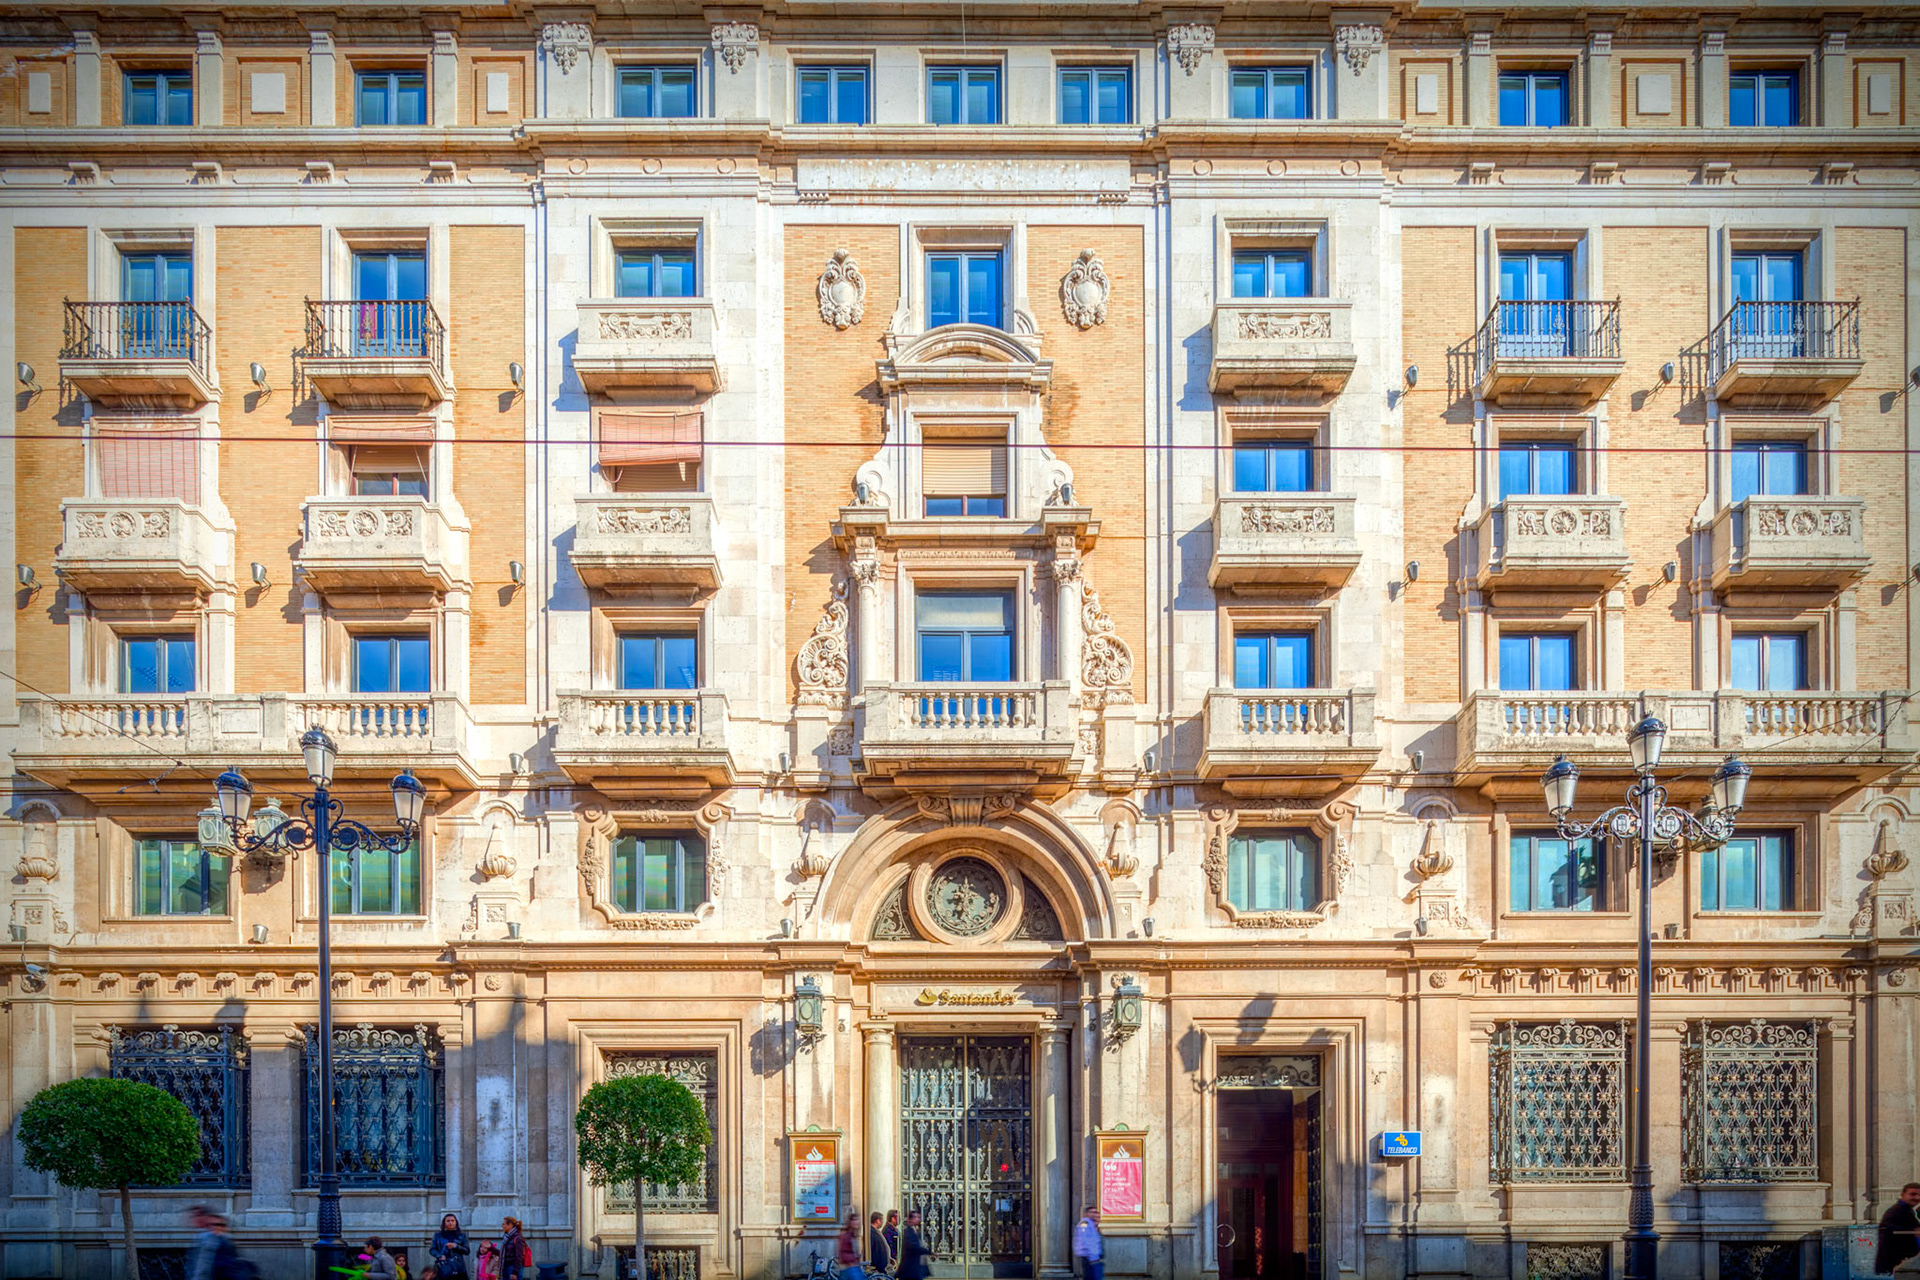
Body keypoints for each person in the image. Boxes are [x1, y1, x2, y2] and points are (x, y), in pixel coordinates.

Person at [1877, 1184, 1920, 1274]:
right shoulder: (1897, 1211)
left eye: (1919, 1195)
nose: (1916, 1197)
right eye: (1912, 1194)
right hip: (1898, 1264)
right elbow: (1888, 1230)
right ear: (1903, 1195)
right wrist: (1913, 1232)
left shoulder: (1907, 1210)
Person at [431, 1213, 472, 1279]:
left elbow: (467, 1251)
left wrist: (456, 1246)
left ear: (456, 1222)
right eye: (448, 1221)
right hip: (443, 1267)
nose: (450, 1223)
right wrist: (439, 1255)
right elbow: (432, 1249)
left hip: (458, 1267)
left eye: (452, 1221)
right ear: (444, 1223)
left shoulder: (462, 1235)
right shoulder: (438, 1235)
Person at [895, 1210, 932, 1280]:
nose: (918, 1219)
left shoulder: (914, 1230)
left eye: (919, 1217)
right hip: (909, 1270)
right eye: (916, 1217)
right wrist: (927, 1251)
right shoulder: (908, 1231)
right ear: (910, 1219)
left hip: (913, 1269)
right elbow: (913, 1247)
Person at [1072, 1206, 1104, 1280]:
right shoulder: (1085, 1223)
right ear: (1086, 1214)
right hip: (1090, 1257)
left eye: (1095, 1212)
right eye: (1092, 1212)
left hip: (1094, 1257)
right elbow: (1086, 1240)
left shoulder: (1092, 1224)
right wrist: (1093, 1257)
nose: (1094, 1214)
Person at [837, 1212, 866, 1279]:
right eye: (854, 1220)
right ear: (850, 1222)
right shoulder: (845, 1235)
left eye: (857, 1220)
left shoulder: (853, 1235)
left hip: (854, 1267)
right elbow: (843, 1252)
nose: (856, 1222)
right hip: (849, 1268)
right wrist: (853, 1259)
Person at [883, 1210, 901, 1275]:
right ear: (893, 1218)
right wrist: (893, 1258)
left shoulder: (895, 1229)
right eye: (898, 1217)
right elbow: (889, 1245)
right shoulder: (887, 1230)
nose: (900, 1219)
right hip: (892, 1261)